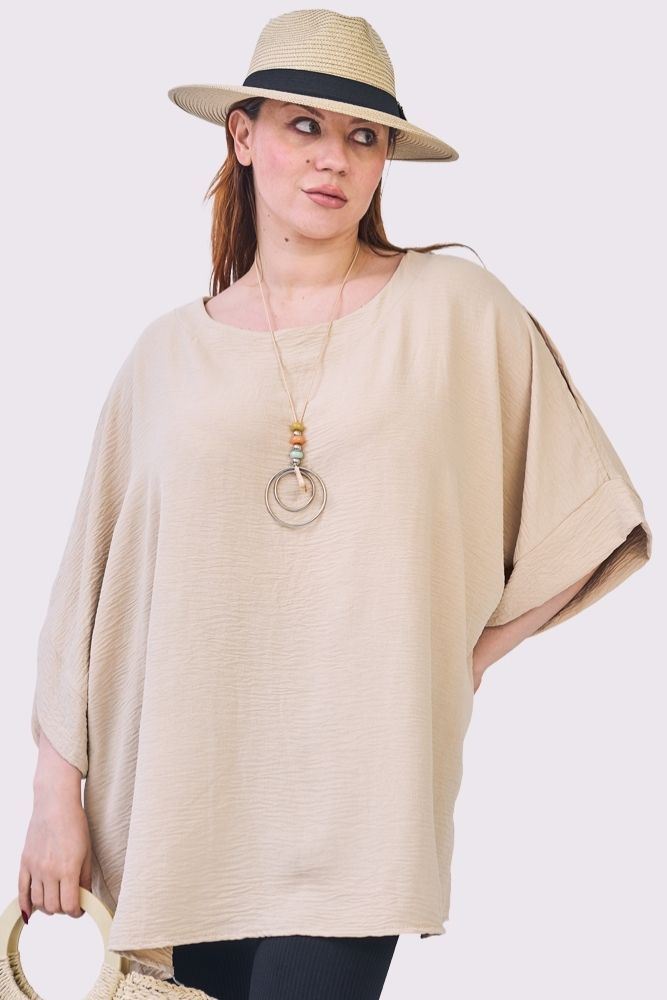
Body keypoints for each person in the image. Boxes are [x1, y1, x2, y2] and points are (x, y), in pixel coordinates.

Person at [19, 10, 652, 1000]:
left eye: (363, 136)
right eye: (304, 126)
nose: (334, 158)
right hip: (185, 798)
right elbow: (87, 595)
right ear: (242, 136)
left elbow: (589, 514)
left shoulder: (456, 310)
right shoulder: (165, 356)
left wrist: (461, 658)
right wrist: (54, 798)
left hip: (363, 804)